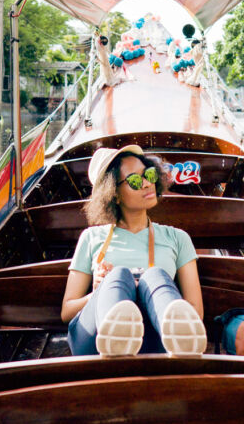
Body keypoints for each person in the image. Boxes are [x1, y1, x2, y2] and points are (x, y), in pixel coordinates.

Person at [61, 145, 207, 357]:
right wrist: (99, 291)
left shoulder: (178, 238)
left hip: (153, 336)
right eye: (135, 181)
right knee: (119, 275)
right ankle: (114, 337)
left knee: (155, 275)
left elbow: (195, 309)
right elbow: (67, 311)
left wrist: (145, 286)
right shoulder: (91, 238)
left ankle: (179, 341)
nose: (147, 183)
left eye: (148, 174)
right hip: (95, 341)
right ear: (114, 195)